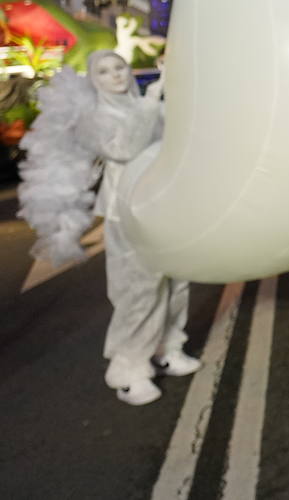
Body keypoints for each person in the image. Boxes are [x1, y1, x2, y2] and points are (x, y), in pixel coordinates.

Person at [79, 51, 199, 405]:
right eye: (104, 71)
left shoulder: (142, 104)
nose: (115, 75)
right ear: (94, 80)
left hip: (161, 206)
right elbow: (125, 148)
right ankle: (128, 369)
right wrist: (152, 100)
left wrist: (172, 88)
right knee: (138, 290)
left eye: (119, 67)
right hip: (126, 212)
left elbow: (178, 135)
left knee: (176, 280)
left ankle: (167, 347)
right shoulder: (95, 116)